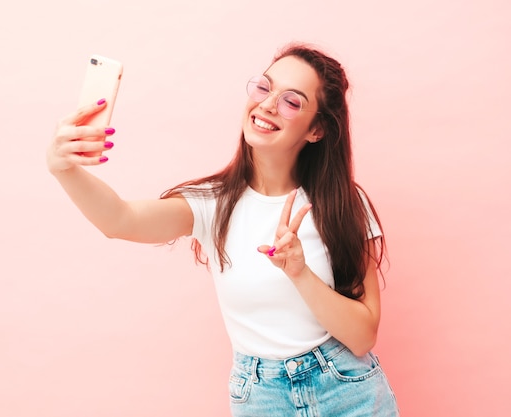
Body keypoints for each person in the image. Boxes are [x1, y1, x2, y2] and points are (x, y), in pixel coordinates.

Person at [47, 42, 399, 416]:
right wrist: (63, 168)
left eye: (291, 101)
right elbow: (119, 220)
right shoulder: (212, 204)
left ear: (316, 130)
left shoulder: (344, 206)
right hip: (263, 399)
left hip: (347, 393)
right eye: (264, 88)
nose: (266, 105)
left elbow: (363, 337)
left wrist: (299, 272)